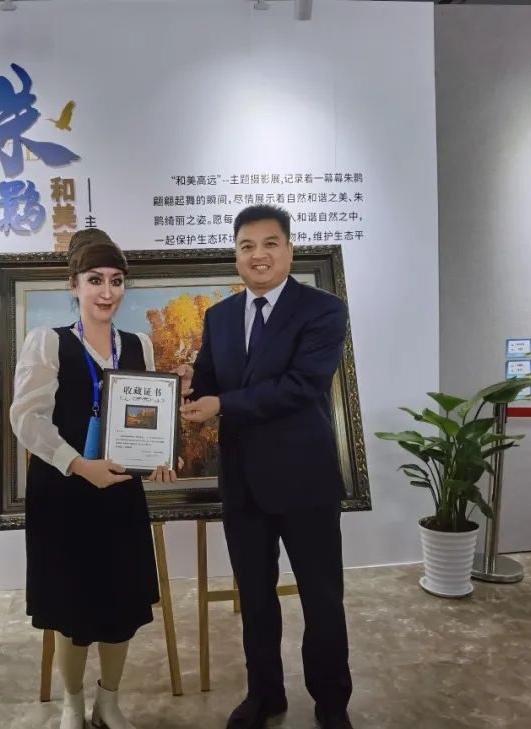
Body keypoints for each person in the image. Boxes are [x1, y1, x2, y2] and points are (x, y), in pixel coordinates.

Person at [180, 205, 354, 729]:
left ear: (289, 250)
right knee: (255, 599)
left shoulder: (324, 310)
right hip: (243, 483)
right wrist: (187, 389)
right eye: (247, 246)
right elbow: (209, 380)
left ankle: (331, 704)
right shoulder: (220, 316)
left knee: (321, 599)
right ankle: (265, 695)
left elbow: (302, 386)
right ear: (236, 255)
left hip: (305, 480)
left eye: (270, 243)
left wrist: (222, 404)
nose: (258, 255)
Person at [9, 229, 175, 729]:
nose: (107, 291)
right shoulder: (49, 342)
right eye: (95, 280)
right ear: (74, 285)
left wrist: (158, 455)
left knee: (120, 604)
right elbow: (26, 419)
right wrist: (80, 465)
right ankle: (72, 702)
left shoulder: (139, 345)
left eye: (117, 280)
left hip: (120, 493)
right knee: (72, 609)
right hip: (64, 493)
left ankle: (109, 702)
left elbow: (149, 418)